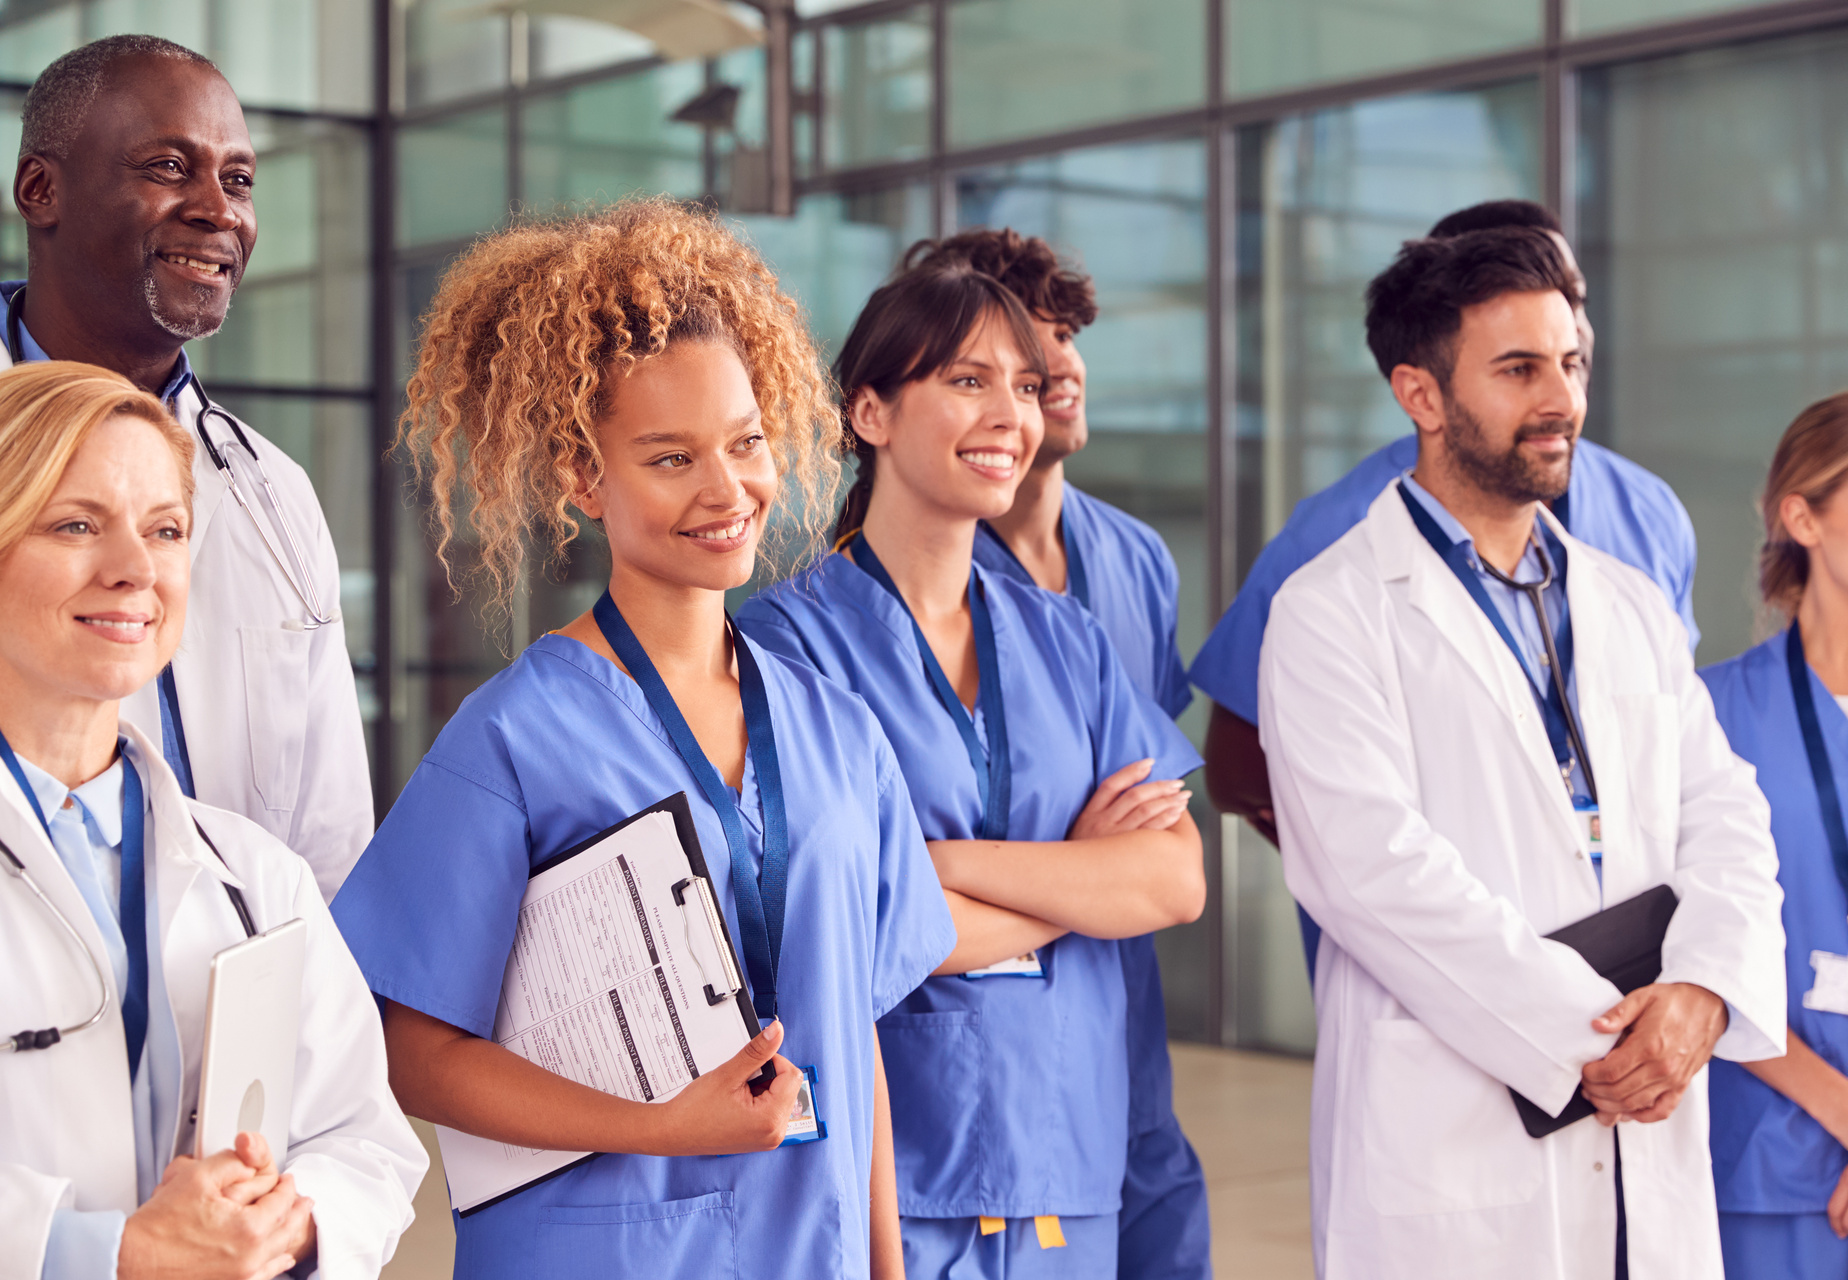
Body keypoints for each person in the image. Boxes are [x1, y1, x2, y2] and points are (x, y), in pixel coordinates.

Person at [327, 199, 955, 1280]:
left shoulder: (840, 730)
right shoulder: (515, 738)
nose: (728, 490)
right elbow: (403, 1048)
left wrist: (888, 1265)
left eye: (747, 442)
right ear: (585, 478)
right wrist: (662, 1122)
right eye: (670, 458)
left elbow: (859, 1038)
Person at [1258, 226, 1786, 1278]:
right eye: (1518, 369)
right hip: (1458, 1133)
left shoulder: (1625, 601)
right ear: (1420, 393)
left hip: (1650, 1109)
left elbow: (1726, 812)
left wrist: (1703, 993)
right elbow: (1369, 871)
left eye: (1571, 362)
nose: (1561, 399)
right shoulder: (1330, 613)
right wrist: (1598, 1036)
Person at [737, 263, 1206, 1278]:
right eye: (966, 380)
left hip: (1066, 1155)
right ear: (870, 410)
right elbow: (833, 927)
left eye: (1027, 387)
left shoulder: (1066, 640)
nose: (1011, 414)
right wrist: (1080, 881)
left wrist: (934, 864)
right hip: (888, 1166)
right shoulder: (784, 647)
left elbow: (1173, 877)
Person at [0, 360, 424, 1280]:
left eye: (166, 530)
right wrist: (108, 1253)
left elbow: (367, 1137)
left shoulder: (252, 875)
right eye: (76, 525)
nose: (134, 572)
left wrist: (287, 1227)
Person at [1193, 201, 1697, 973]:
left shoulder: (1650, 517)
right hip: (1428, 989)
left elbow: (1688, 768)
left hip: (1633, 974)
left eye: (1573, 308)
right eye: (1516, 357)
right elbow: (1236, 768)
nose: (1568, 349)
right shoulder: (1328, 548)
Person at [900, 229, 1209, 1279]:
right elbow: (860, 905)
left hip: (1115, 1029)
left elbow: (1165, 850)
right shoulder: (887, 587)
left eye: (1063, 339)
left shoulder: (1131, 560)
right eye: (1016, 348)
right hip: (959, 1062)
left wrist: (950, 866)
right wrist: (1085, 873)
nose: (1058, 364)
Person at [6, 35, 369, 898]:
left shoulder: (273, 494)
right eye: (170, 167)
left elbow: (333, 851)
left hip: (249, 1008)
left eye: (239, 180)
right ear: (39, 189)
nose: (220, 211)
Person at [1700, 388, 1848, 1277]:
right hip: (1767, 1154)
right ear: (1803, 516)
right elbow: (1681, 950)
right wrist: (1847, 1111)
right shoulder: (1704, 715)